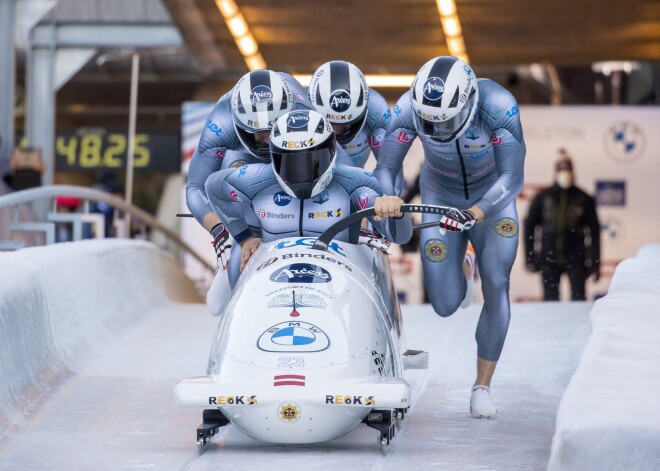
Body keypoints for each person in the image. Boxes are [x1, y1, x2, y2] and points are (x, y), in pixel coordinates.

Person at [374, 56, 526, 418]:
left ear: (470, 104)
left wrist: (478, 211)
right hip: (440, 195)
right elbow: (386, 167)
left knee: (497, 281)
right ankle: (463, 265)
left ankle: (482, 387)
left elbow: (512, 177)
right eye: (430, 123)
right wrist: (388, 195)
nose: (439, 130)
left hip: (492, 200)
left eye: (448, 121)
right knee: (444, 304)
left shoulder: (499, 107)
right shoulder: (409, 108)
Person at [204, 109, 413, 286]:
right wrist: (244, 236)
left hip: (338, 281)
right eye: (290, 163)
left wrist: (394, 212)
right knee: (218, 303)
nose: (301, 172)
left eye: (312, 161)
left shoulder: (355, 182)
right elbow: (214, 187)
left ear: (331, 153)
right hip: (271, 278)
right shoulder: (256, 178)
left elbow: (399, 236)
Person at [307, 60, 404, 194]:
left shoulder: (377, 111)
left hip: (353, 183)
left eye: (344, 124)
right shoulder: (300, 108)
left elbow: (389, 168)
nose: (335, 131)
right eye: (329, 123)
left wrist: (389, 200)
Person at [524, 151, 600, 301]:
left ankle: (579, 325)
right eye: (561, 170)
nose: (565, 174)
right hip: (548, 257)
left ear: (573, 172)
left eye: (568, 170)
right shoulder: (543, 197)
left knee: (578, 299)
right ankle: (551, 325)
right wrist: (530, 256)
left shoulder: (584, 198)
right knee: (550, 301)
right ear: (556, 172)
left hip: (576, 256)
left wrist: (595, 262)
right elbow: (529, 227)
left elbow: (595, 233)